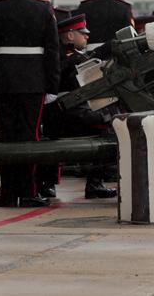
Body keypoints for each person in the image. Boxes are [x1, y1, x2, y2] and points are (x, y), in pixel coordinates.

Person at [0, 0, 59, 208]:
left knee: (6, 137)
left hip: (3, 82)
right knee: (29, 137)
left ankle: (7, 192)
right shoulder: (43, 10)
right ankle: (27, 192)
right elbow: (52, 53)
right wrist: (52, 87)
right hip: (33, 82)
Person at [37, 14, 117, 200]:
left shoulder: (74, 56)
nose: (87, 37)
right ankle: (94, 184)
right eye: (83, 33)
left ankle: (51, 185)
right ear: (70, 36)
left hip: (71, 111)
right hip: (63, 114)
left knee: (109, 120)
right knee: (110, 126)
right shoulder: (58, 56)